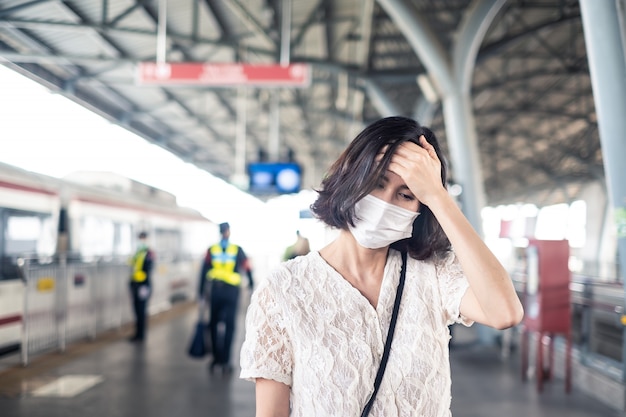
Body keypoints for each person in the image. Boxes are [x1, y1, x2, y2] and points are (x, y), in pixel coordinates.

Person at [239, 116, 524, 416]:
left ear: (420, 208)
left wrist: (439, 195)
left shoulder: (434, 274)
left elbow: (504, 312)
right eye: (377, 183)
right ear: (351, 179)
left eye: (406, 194)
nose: (386, 203)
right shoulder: (283, 290)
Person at [199, 222, 254, 374]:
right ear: (228, 232)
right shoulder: (237, 250)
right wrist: (251, 285)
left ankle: (216, 359)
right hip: (231, 292)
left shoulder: (212, 250)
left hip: (216, 291)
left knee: (214, 324)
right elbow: (247, 267)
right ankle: (226, 361)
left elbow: (203, 271)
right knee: (230, 326)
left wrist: (201, 293)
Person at [129, 231, 154, 342]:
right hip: (135, 284)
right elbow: (132, 264)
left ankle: (141, 335)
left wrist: (144, 286)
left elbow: (148, 270)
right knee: (137, 310)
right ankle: (138, 334)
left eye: (143, 238)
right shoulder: (138, 252)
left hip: (143, 285)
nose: (141, 241)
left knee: (141, 310)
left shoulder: (148, 253)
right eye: (140, 238)